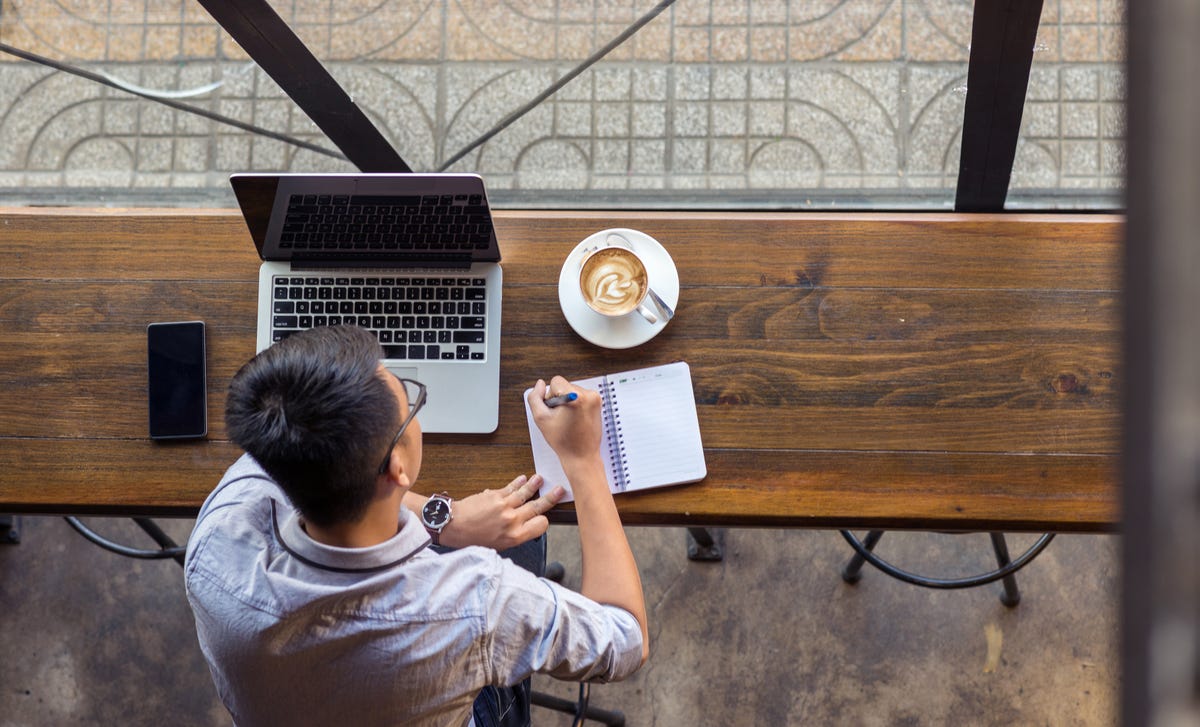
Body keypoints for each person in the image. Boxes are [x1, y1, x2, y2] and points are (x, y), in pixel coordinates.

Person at [184, 325, 648, 726]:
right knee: (525, 546)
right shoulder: (476, 600)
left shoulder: (218, 535)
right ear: (397, 469)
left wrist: (445, 520)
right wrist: (582, 459)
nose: (412, 403)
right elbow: (627, 640)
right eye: (409, 400)